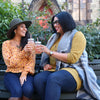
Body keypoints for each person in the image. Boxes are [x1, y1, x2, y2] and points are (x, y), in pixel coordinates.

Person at [34, 11, 100, 100]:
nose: (55, 25)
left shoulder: (77, 35)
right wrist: (46, 64)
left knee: (54, 78)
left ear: (65, 21)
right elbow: (50, 57)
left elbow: (72, 58)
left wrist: (50, 52)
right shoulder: (54, 37)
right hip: (55, 70)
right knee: (38, 79)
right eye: (54, 22)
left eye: (57, 22)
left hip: (75, 71)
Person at [2, 18, 35, 100]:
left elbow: (31, 62)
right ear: (15, 30)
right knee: (17, 91)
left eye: (26, 27)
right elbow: (10, 63)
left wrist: (24, 73)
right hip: (11, 74)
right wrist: (23, 52)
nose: (25, 29)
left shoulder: (29, 43)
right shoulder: (6, 44)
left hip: (26, 73)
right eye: (22, 27)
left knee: (28, 90)